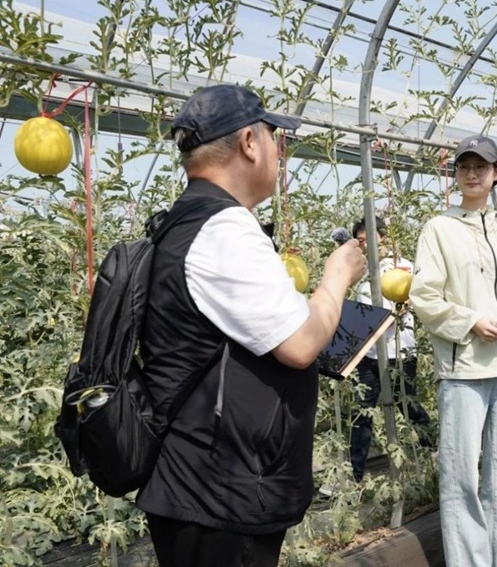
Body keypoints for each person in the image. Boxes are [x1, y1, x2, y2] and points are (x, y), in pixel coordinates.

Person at [136, 84, 366, 567]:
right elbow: (302, 343)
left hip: (205, 483)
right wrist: (337, 277)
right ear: (248, 142)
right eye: (274, 138)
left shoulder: (186, 221)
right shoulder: (223, 230)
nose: (278, 153)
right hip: (220, 492)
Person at [409, 134, 497, 566]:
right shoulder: (439, 228)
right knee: (462, 473)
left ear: (495, 174)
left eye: (480, 167)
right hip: (463, 367)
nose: (471, 174)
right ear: (456, 175)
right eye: (464, 167)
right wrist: (471, 321)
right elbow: (424, 296)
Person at [347, 216, 431, 485]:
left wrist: (398, 308)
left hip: (399, 350)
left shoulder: (403, 267)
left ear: (382, 237)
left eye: (368, 238)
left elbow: (410, 301)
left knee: (407, 404)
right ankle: (354, 474)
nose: (364, 244)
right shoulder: (361, 273)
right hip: (368, 353)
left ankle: (432, 450)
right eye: (360, 240)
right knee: (362, 412)